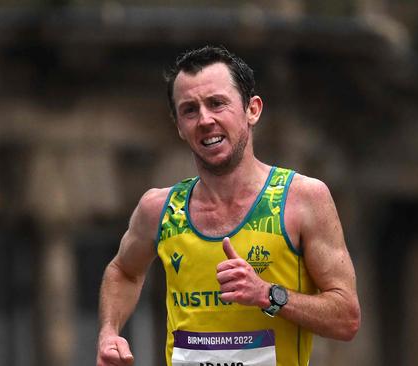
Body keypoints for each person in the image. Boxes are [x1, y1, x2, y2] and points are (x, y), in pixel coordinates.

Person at [96, 45, 360, 366]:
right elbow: (124, 271)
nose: (205, 119)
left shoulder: (302, 199)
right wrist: (109, 331)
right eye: (189, 110)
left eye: (217, 104)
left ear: (253, 110)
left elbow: (346, 317)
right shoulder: (159, 209)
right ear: (179, 125)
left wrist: (267, 295)